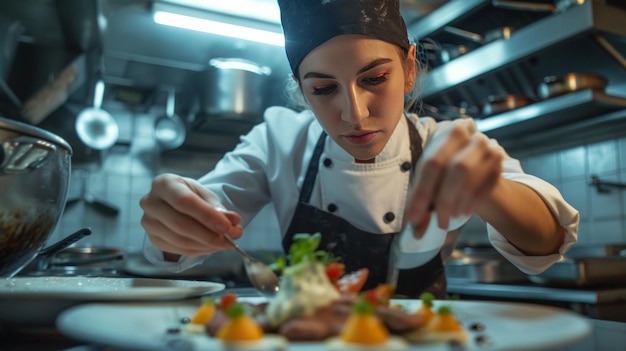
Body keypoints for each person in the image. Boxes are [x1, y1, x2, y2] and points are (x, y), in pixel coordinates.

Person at [140, 0, 579, 298]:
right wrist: (174, 221)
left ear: (409, 69)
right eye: (324, 89)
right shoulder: (277, 140)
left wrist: (490, 191)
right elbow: (183, 231)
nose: (354, 113)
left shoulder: (446, 143)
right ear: (301, 92)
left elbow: (548, 239)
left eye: (374, 79)